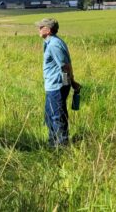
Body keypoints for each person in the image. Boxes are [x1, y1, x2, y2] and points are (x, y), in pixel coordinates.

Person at [37, 18, 75, 148]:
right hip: (53, 86)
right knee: (50, 116)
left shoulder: (54, 44)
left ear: (47, 30)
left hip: (56, 86)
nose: (39, 29)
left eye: (41, 27)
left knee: (57, 116)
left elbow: (65, 66)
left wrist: (68, 83)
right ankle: (53, 144)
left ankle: (62, 146)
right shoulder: (50, 42)